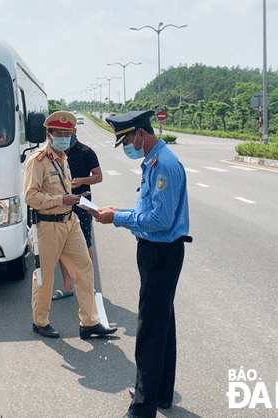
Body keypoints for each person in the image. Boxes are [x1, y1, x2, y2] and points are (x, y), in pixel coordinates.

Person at [91, 110, 190, 417]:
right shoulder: (153, 161)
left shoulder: (164, 166)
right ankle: (160, 393)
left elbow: (159, 220)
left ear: (141, 134)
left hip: (161, 253)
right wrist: (118, 209)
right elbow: (148, 208)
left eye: (128, 141)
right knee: (162, 325)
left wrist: (117, 218)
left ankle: (142, 409)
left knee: (149, 330)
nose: (128, 148)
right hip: (157, 251)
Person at [23, 110, 117, 340]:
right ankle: (40, 321)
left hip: (70, 221)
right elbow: (30, 196)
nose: (65, 136)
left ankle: (90, 323)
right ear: (49, 134)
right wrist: (60, 200)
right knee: (44, 276)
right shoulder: (37, 161)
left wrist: (74, 198)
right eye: (60, 133)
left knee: (84, 268)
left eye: (69, 133)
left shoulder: (63, 158)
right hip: (48, 225)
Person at [53, 133, 102, 301]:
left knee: (85, 242)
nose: (62, 137)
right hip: (60, 204)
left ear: (73, 131)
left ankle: (88, 285)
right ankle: (67, 286)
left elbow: (98, 176)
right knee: (63, 245)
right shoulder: (55, 152)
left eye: (66, 133)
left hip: (81, 204)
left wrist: (82, 181)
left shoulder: (86, 152)